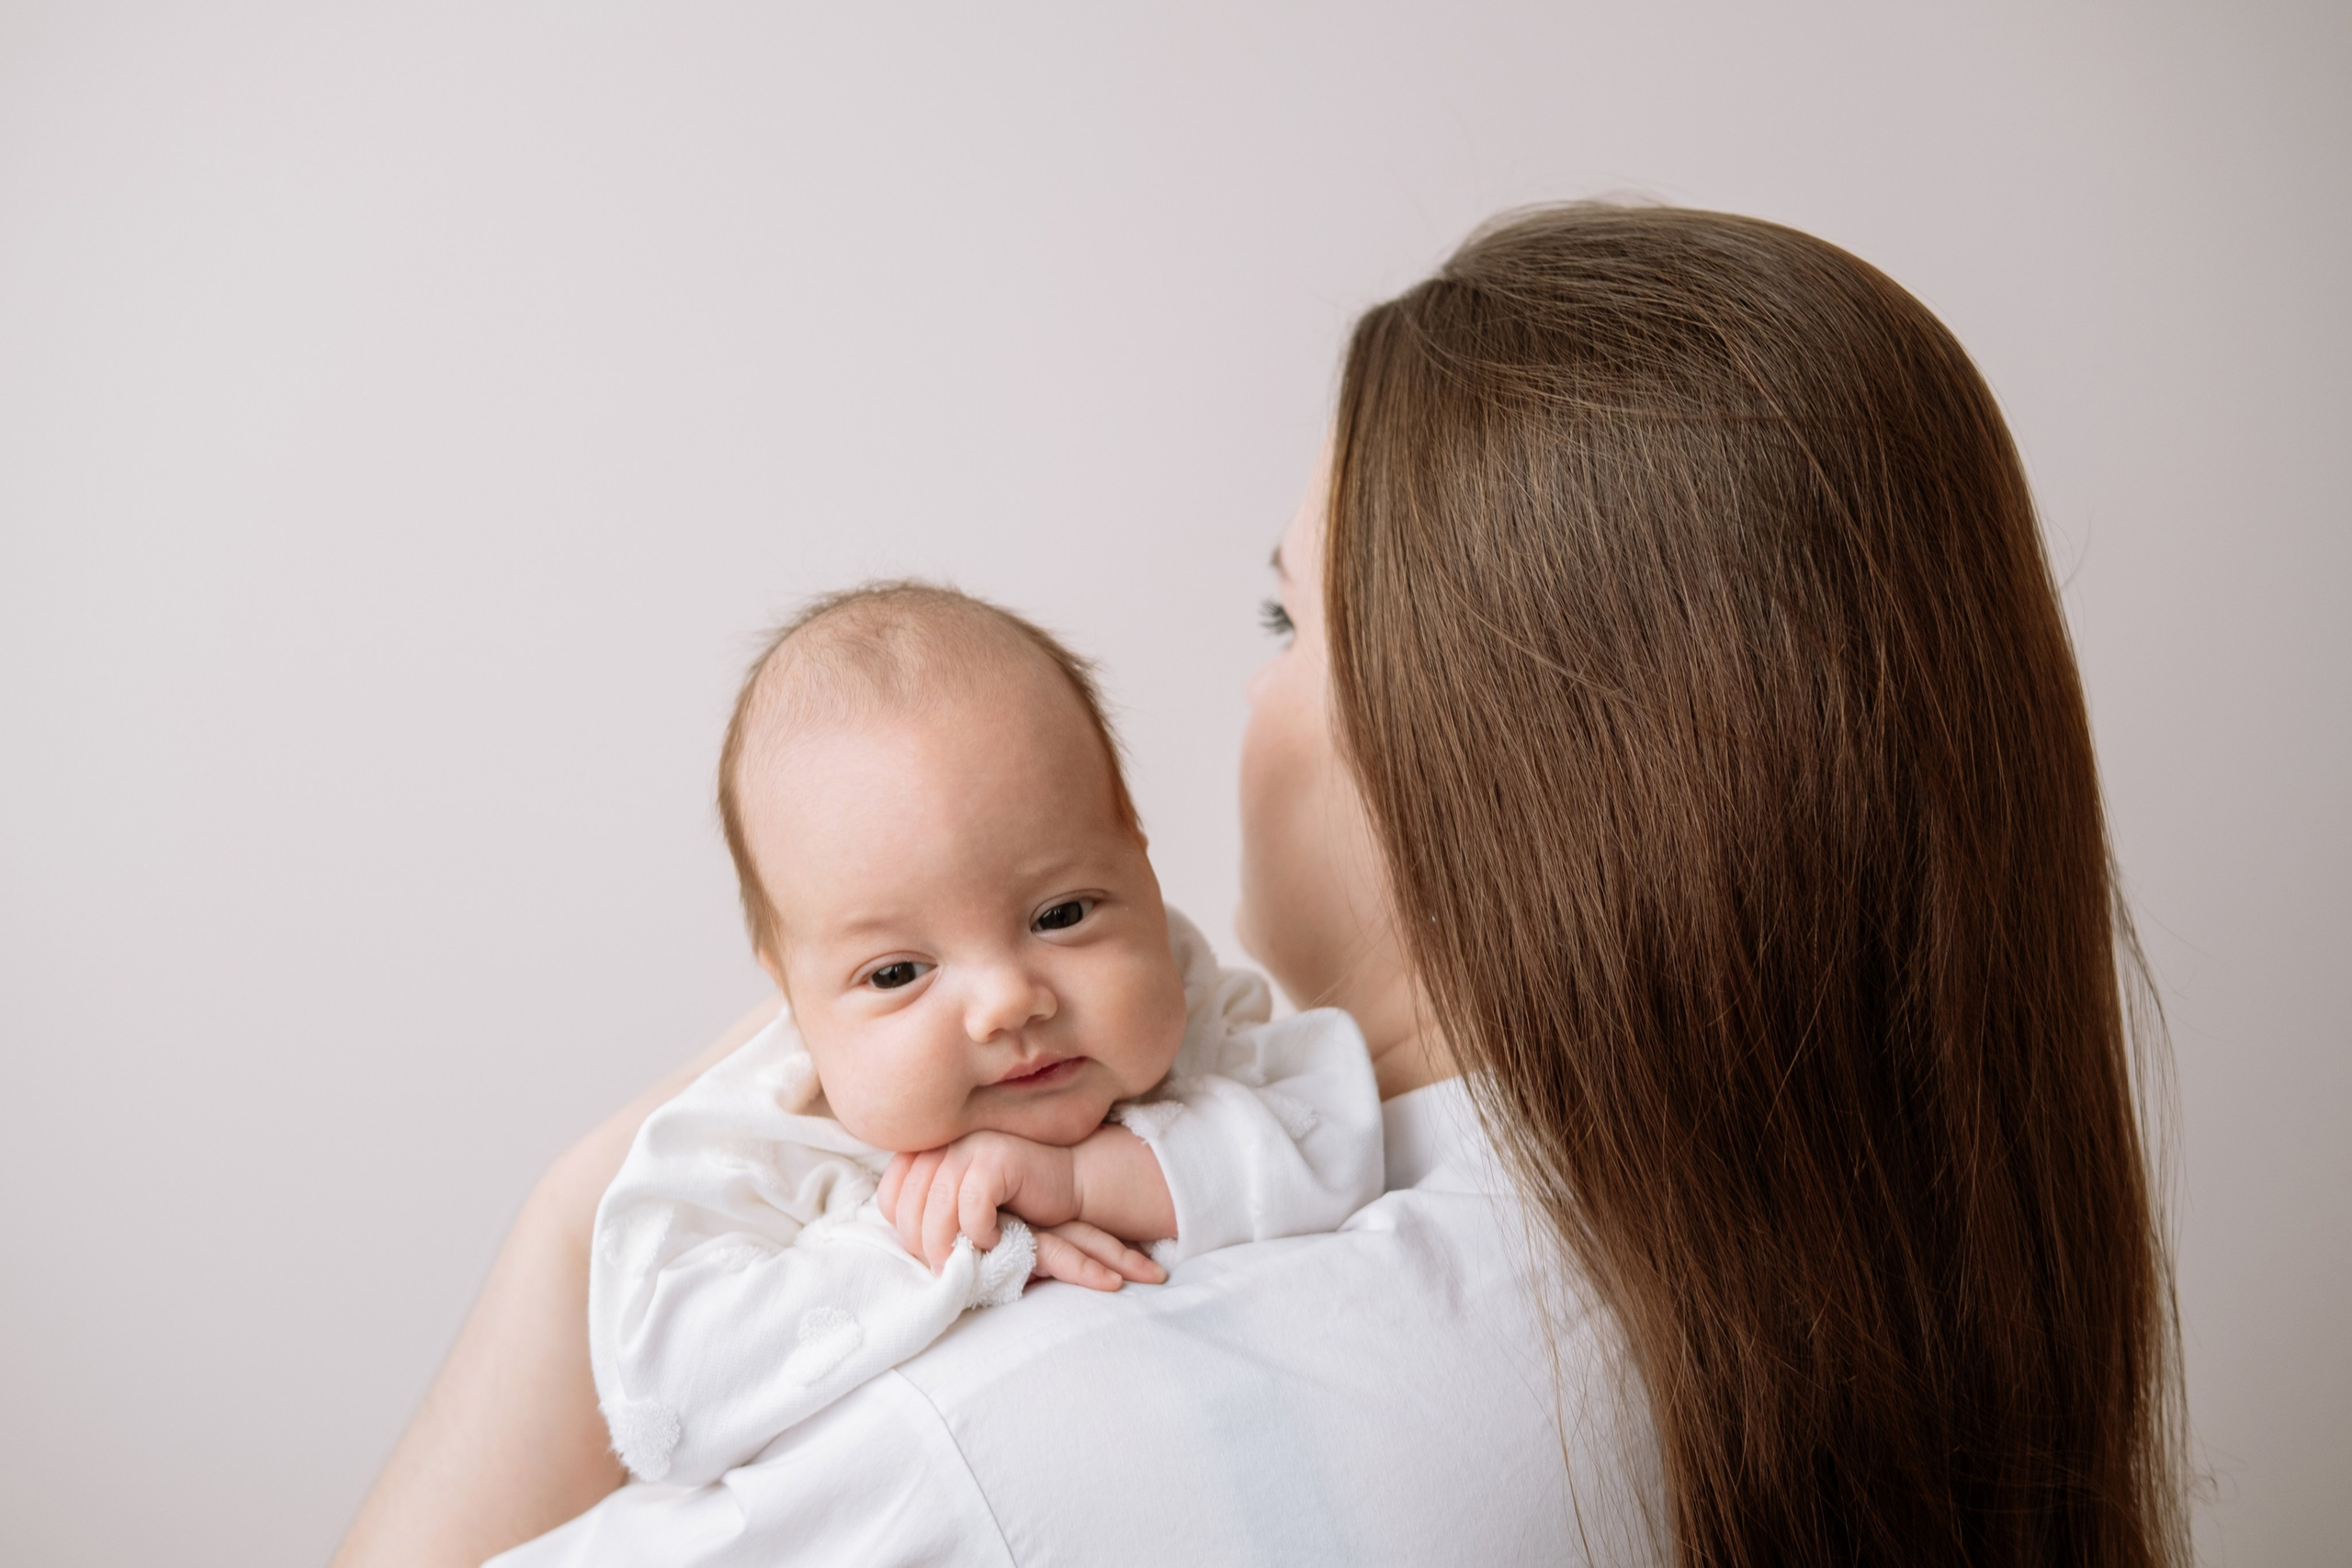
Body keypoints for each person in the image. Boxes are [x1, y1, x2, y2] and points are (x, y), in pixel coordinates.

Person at [334, 203, 2188, 1568]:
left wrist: (577, 1216)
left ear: (1486, 765)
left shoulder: (1020, 1436)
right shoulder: (1858, 1322)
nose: (1241, 698)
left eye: (1282, 619)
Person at [562, 584, 1382, 1515]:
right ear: (791, 995)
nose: (1004, 1003)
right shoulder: (764, 1140)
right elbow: (661, 1406)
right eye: (898, 972)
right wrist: (950, 1239)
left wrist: (1081, 1182)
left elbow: (1336, 1142)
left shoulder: (1187, 1005)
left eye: (1061, 915)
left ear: (1142, 870)